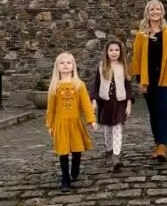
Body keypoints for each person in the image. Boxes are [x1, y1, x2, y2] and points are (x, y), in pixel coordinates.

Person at [130, 0, 167, 162]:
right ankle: (158, 143)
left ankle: (162, 145)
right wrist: (140, 80)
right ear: (147, 12)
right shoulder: (141, 35)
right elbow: (136, 58)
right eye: (152, 9)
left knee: (164, 110)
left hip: (166, 77)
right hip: (148, 79)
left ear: (162, 12)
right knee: (153, 113)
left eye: (158, 9)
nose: (155, 12)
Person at [46, 52, 97, 192]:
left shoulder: (79, 85)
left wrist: (92, 120)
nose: (65, 65)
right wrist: (49, 124)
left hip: (75, 123)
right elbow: (51, 108)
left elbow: (86, 104)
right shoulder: (54, 86)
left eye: (68, 62)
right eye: (62, 63)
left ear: (73, 66)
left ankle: (75, 166)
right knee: (62, 151)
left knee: (76, 149)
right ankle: (65, 178)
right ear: (57, 67)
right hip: (60, 124)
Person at [90, 39, 134, 171]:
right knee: (108, 128)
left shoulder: (124, 66)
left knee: (117, 127)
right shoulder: (102, 66)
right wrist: (94, 100)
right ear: (106, 52)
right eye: (111, 50)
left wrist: (129, 104)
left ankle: (116, 155)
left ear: (120, 52)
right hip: (105, 103)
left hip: (120, 102)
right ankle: (109, 150)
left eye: (116, 50)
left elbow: (128, 86)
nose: (114, 52)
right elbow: (96, 85)